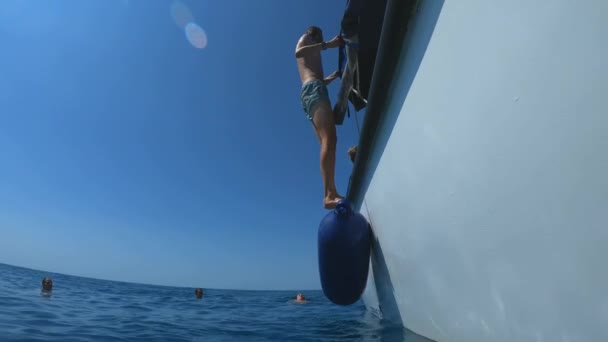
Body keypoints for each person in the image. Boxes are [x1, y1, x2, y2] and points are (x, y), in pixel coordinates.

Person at [295, 26, 344, 209]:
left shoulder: (315, 50)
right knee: (329, 139)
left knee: (329, 141)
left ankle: (331, 192)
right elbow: (298, 52)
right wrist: (328, 44)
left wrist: (332, 76)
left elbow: (318, 77)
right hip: (313, 90)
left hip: (315, 88)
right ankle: (329, 195)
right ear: (316, 34)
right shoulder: (307, 37)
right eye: (320, 36)